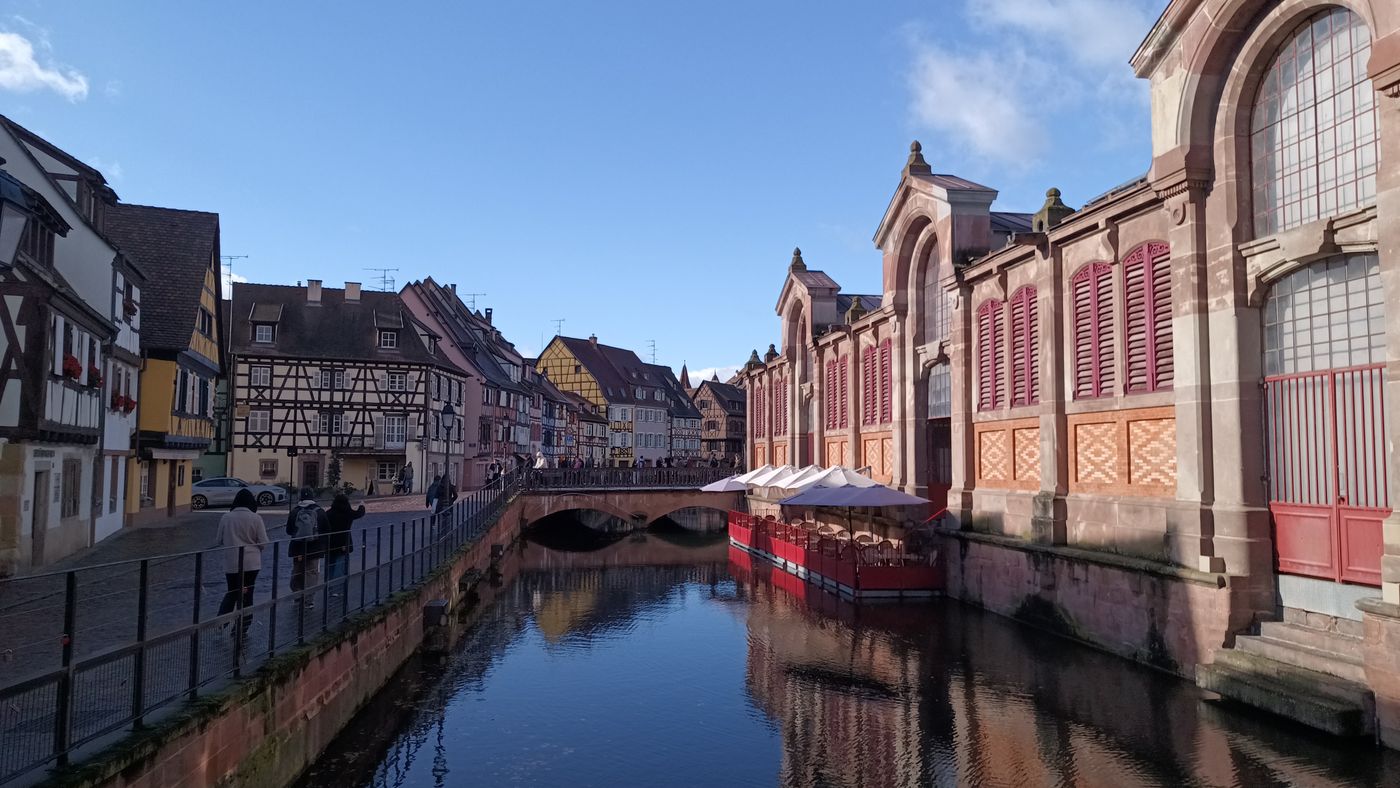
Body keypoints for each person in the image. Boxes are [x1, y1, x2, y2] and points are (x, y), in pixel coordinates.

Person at [215, 489, 269, 637]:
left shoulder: (226, 517)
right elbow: (264, 543)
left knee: (232, 592)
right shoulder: (256, 518)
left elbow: (218, 540)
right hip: (252, 564)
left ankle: (221, 623)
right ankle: (241, 628)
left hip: (232, 563)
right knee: (247, 594)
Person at [286, 487, 329, 609]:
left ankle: (297, 596)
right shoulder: (320, 511)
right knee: (311, 572)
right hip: (315, 547)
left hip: (297, 547)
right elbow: (326, 529)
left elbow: (289, 530)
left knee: (297, 571)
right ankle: (309, 600)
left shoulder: (295, 511)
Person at [325, 493, 364, 584]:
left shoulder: (329, 513)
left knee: (330, 565)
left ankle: (328, 585)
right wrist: (362, 505)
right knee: (341, 566)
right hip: (344, 543)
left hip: (330, 543)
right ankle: (338, 587)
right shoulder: (348, 513)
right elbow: (359, 513)